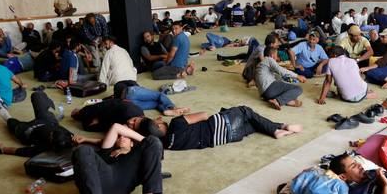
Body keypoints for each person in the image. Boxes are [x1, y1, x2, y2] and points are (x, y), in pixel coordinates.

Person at [73, 125, 167, 194]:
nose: (122, 137)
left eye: (126, 136)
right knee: (82, 150)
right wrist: (90, 140)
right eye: (119, 137)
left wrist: (126, 149)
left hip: (123, 185)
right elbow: (115, 127)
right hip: (101, 183)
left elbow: (154, 146)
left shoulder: (140, 157)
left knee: (153, 140)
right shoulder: (107, 150)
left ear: (133, 143)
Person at [0, 90, 91, 157]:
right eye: (52, 133)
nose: (50, 134)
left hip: (28, 130)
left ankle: (5, 115)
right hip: (48, 121)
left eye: (51, 136)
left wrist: (3, 149)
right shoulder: (70, 136)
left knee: (11, 122)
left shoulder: (44, 147)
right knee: (37, 95)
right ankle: (52, 108)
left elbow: (22, 151)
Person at [154, 106, 302, 150]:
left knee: (255, 125)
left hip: (228, 138)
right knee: (246, 111)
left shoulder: (167, 145)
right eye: (157, 122)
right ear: (158, 127)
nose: (160, 120)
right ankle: (280, 127)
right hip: (219, 125)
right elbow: (204, 114)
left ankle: (278, 128)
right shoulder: (175, 124)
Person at [72, 97, 145, 133]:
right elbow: (109, 108)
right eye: (134, 120)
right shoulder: (127, 112)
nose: (130, 122)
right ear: (139, 117)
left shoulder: (140, 126)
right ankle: (80, 112)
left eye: (133, 125)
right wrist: (99, 118)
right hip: (111, 105)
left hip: (115, 117)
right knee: (85, 115)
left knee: (87, 127)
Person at [113, 80, 189, 115]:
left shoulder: (116, 91)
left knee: (156, 104)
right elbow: (133, 84)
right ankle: (173, 107)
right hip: (131, 91)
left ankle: (165, 110)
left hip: (129, 103)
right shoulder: (121, 83)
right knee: (159, 95)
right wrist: (142, 89)